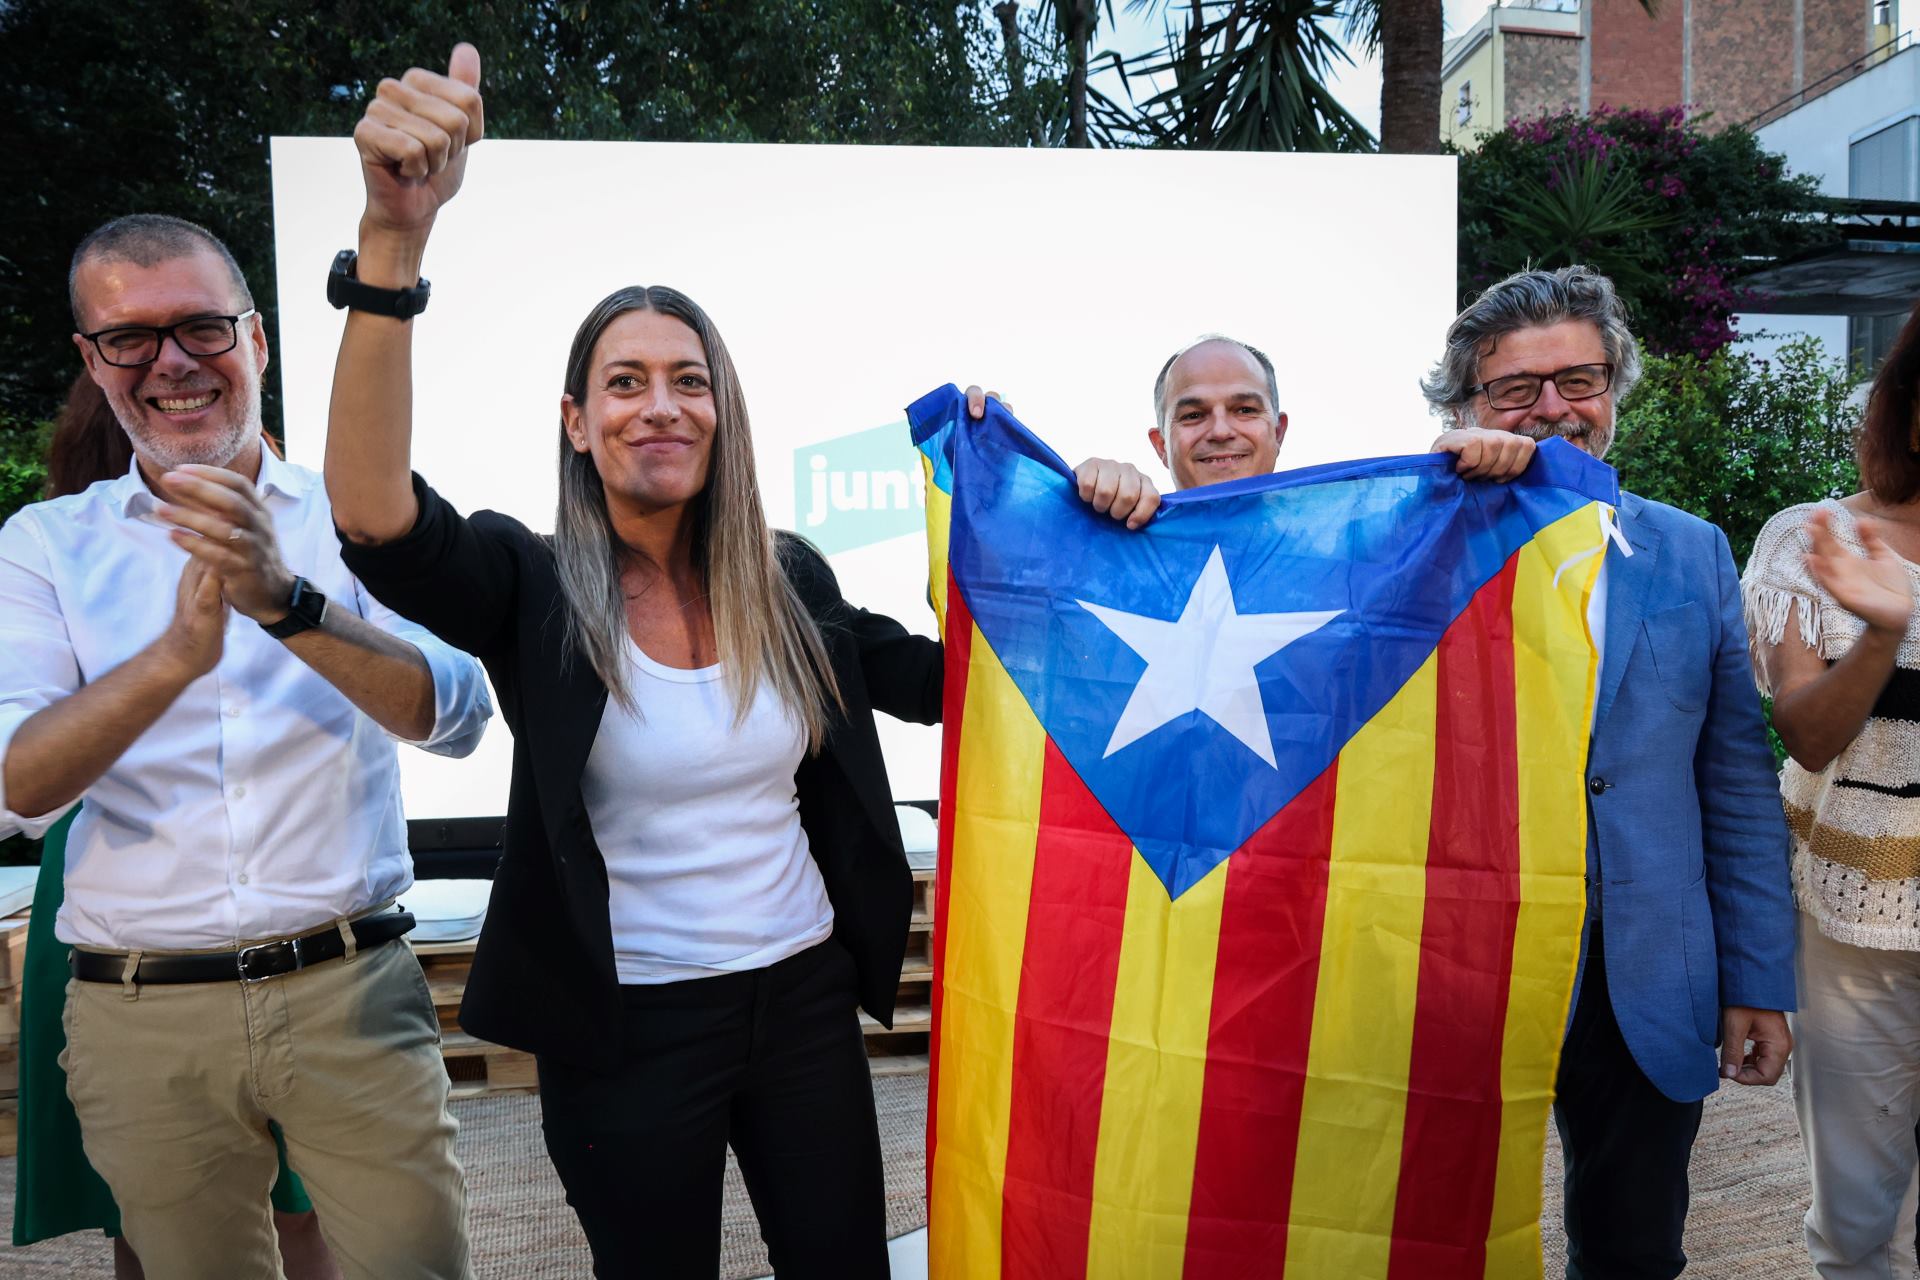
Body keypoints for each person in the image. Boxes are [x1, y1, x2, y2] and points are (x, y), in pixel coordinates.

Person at [324, 46, 943, 1277]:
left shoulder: (790, 579)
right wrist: (392, 249)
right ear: (576, 420)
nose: (659, 405)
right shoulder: (534, 583)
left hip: (804, 1000)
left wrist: (1085, 518)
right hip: (628, 1026)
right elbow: (374, 517)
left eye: (687, 381)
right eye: (624, 382)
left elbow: (952, 680)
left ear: (722, 413)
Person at [0, 213, 494, 1280]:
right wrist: (173, 659)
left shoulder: (351, 519)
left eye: (202, 326)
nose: (172, 360)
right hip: (141, 1011)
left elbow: (455, 711)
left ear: (258, 341)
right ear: (93, 361)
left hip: (351, 989)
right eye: (129, 336)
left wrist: (287, 603)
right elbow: (16, 785)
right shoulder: (46, 544)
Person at [1422, 265, 1795, 1280]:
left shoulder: (1693, 553)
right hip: (1459, 971)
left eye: (1578, 378)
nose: (1553, 407)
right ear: (1468, 406)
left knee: (1632, 1252)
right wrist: (1446, 491)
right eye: (1516, 388)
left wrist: (1759, 976)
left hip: (1645, 973)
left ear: (1615, 387)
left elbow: (1734, 784)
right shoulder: (1418, 543)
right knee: (1431, 1243)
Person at [12, 376, 339, 1280]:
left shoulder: (313, 520)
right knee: (170, 1195)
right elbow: (23, 777)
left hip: (264, 915)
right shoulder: (50, 552)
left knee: (183, 1206)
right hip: (118, 919)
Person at [1743, 298, 1920, 1280]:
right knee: (1858, 1222)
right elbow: (1807, 732)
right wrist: (1886, 632)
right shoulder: (1812, 540)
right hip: (1856, 931)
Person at [977, 329, 1538, 529]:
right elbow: (1006, 606)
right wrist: (993, 475)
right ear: (1159, 442)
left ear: (1279, 429)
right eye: (1193, 415)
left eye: (1245, 410)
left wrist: (1465, 480)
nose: (1221, 430)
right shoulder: (1104, 540)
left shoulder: (1349, 548)